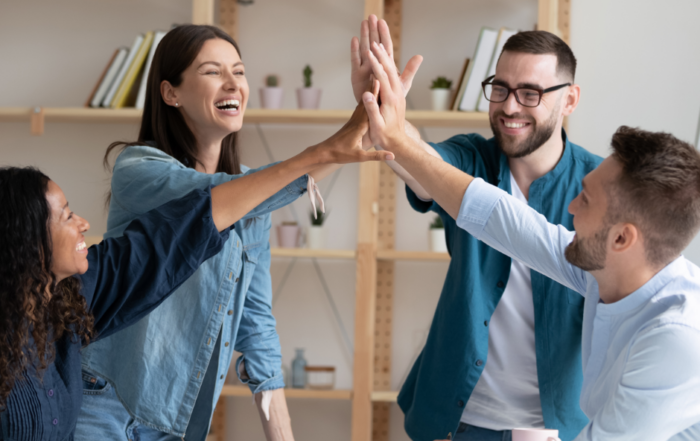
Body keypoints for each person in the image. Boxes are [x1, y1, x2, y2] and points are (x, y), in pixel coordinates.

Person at [360, 37, 700, 441]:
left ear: (623, 240)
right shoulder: (601, 270)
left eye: (584, 200)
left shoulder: (677, 338)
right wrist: (394, 135)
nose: (570, 209)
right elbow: (503, 220)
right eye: (501, 88)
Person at [75, 24, 375, 441]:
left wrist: (282, 433)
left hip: (175, 415)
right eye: (213, 71)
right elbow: (211, 202)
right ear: (171, 93)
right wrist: (334, 143)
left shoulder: (253, 198)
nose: (233, 83)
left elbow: (256, 323)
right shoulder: (138, 170)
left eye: (239, 70)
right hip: (103, 400)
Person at [0, 127, 388, 440]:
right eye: (67, 216)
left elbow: (184, 229)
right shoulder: (138, 166)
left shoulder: (75, 294)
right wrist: (325, 153)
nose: (83, 223)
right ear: (26, 240)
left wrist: (327, 153)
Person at [350, 17, 601, 440]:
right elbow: (421, 163)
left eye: (530, 93)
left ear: (570, 100)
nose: (508, 106)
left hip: (557, 428)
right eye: (499, 88)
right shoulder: (472, 159)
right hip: (459, 422)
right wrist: (384, 115)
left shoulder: (599, 187)